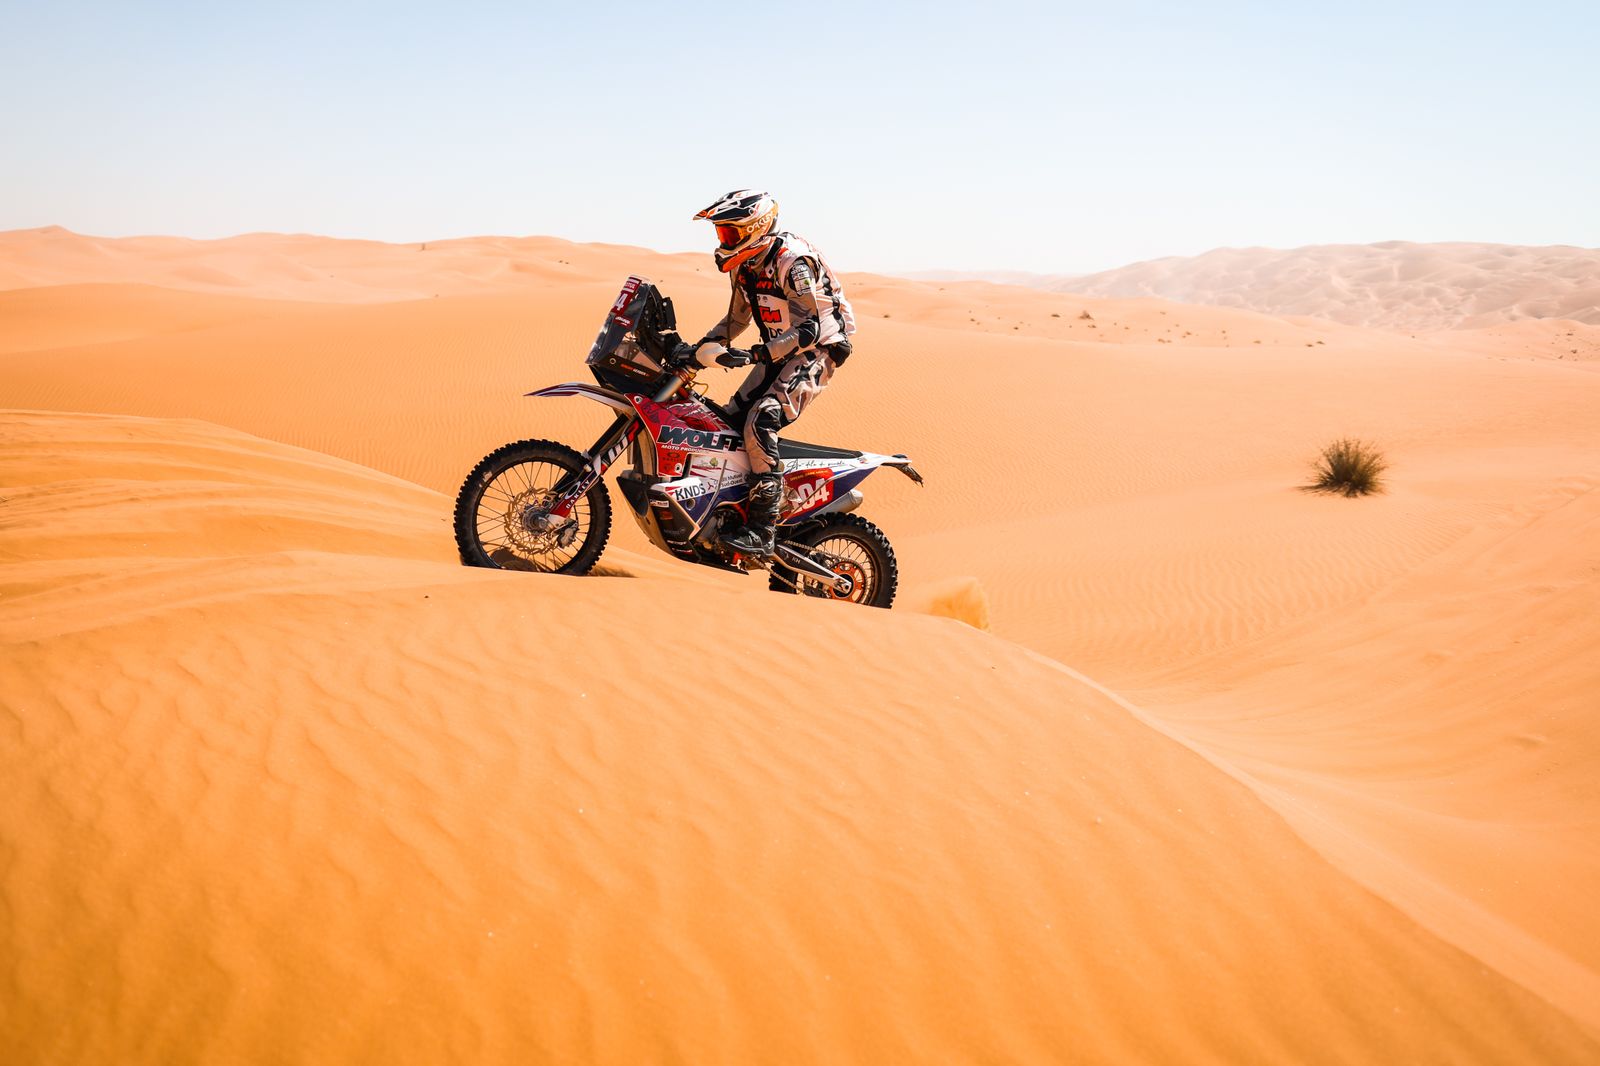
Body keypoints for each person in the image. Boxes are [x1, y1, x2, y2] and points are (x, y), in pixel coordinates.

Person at [688, 189, 857, 555]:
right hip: (779, 351)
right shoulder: (746, 264)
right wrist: (699, 347)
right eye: (721, 234)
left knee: (761, 420)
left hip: (818, 351)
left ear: (757, 227)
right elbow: (736, 318)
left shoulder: (790, 261)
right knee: (730, 419)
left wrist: (755, 355)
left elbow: (810, 327)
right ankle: (729, 509)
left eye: (730, 233)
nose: (724, 241)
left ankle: (762, 529)